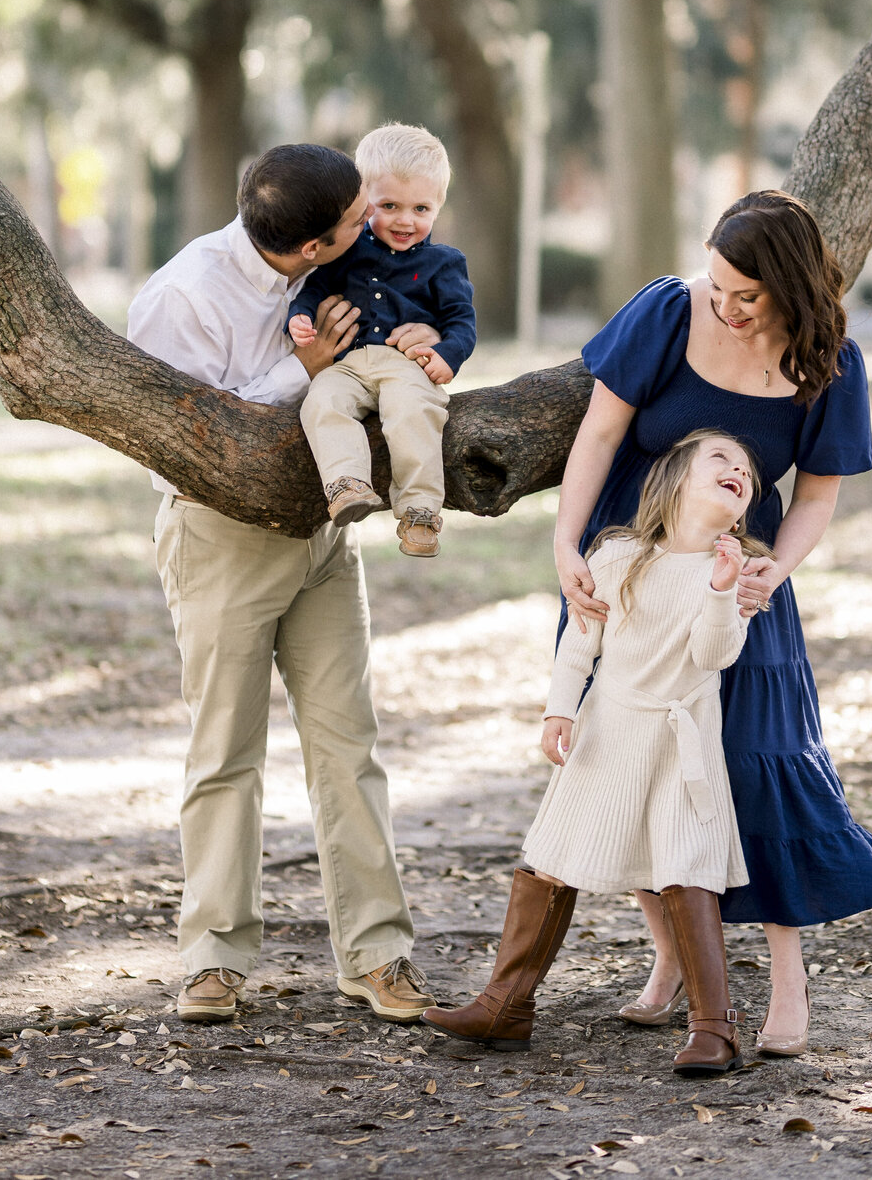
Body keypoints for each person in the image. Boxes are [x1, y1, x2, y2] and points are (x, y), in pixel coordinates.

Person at [554, 190, 872, 1057]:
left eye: (743, 293)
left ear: (789, 288)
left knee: (753, 764)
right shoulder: (668, 311)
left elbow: (818, 496)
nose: (723, 303)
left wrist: (770, 572)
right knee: (631, 756)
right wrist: (565, 548)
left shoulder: (831, 362)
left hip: (739, 581)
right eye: (716, 281)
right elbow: (600, 434)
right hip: (631, 565)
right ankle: (672, 958)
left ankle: (788, 982)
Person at [127, 143, 437, 1025]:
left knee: (350, 746)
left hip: (324, 537)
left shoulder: (356, 264)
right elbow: (185, 431)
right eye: (354, 220)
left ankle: (378, 954)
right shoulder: (186, 295)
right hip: (220, 539)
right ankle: (211, 957)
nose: (370, 224)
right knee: (225, 750)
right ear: (310, 249)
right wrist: (298, 373)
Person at [423, 430, 764, 1075]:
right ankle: (506, 1004)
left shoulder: (732, 570)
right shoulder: (618, 556)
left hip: (678, 741)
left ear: (742, 507)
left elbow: (715, 656)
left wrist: (721, 590)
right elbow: (582, 641)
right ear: (675, 483)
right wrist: (559, 708)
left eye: (745, 468)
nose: (737, 469)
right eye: (720, 459)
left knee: (685, 866)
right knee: (551, 857)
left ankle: (714, 1028)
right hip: (609, 728)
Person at [287, 124, 476, 559]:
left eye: (421, 208)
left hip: (405, 366)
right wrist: (298, 316)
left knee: (414, 413)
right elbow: (313, 289)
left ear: (438, 206)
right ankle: (346, 483)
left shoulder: (445, 264)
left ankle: (419, 511)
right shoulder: (348, 250)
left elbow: (461, 322)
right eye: (389, 205)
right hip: (347, 365)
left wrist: (448, 354)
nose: (405, 220)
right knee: (322, 403)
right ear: (364, 201)